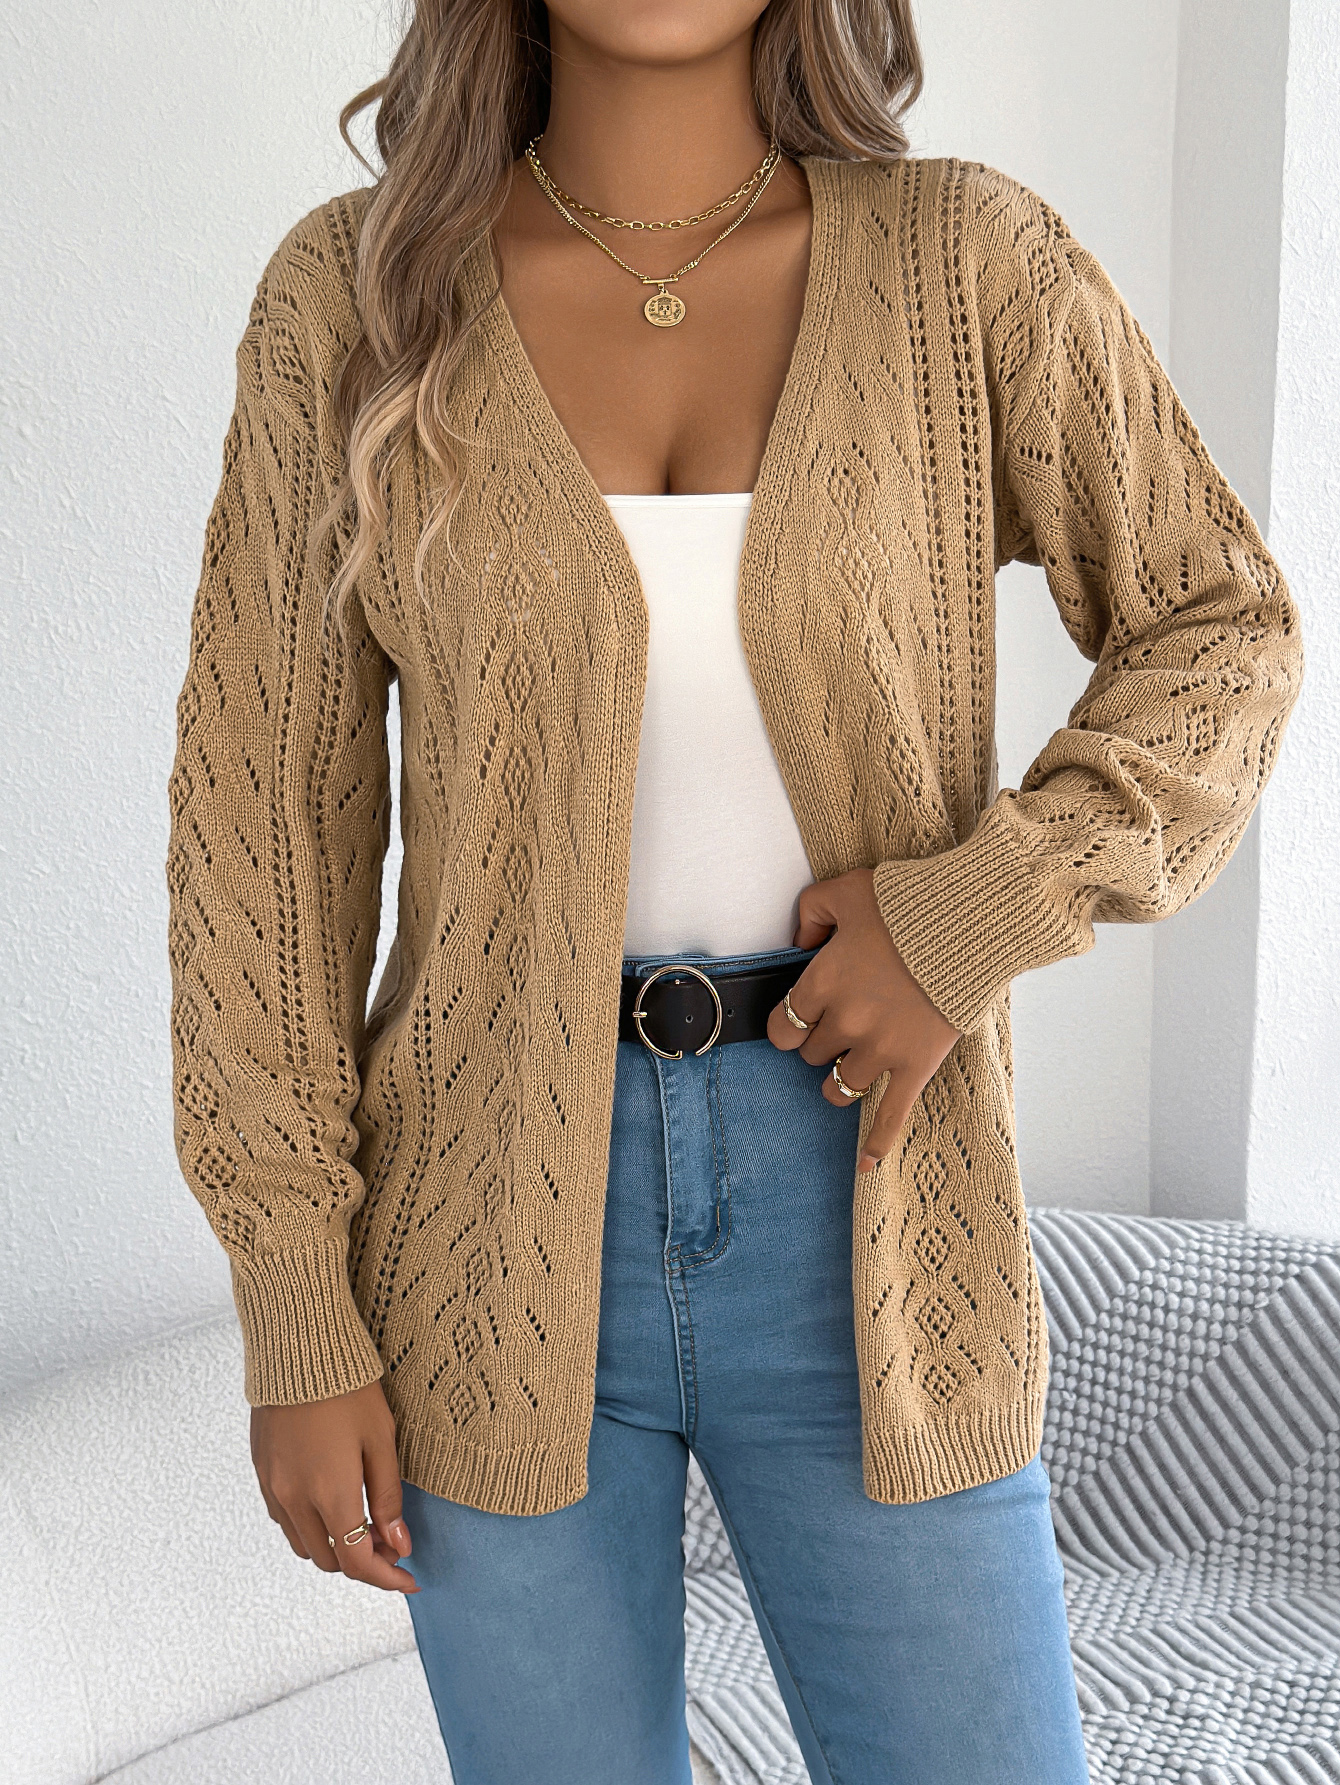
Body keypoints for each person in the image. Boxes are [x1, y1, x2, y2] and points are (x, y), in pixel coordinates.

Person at [164, 3, 1302, 1781]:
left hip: (871, 1189)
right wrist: (295, 1302)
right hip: (482, 1225)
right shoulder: (356, 297)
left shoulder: (963, 267)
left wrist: (971, 917)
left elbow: (1223, 629)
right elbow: (262, 839)